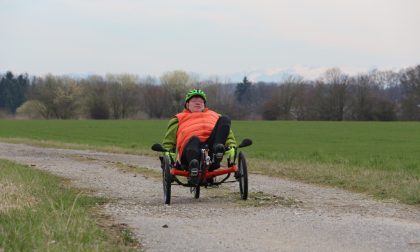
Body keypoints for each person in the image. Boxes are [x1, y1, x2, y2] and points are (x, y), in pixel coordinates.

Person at [162, 89, 237, 178]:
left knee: (225, 119)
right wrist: (168, 153)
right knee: (194, 139)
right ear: (187, 104)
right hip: (189, 148)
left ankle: (218, 151)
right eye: (194, 101)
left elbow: (227, 134)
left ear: (204, 105)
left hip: (211, 147)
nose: (198, 103)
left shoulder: (216, 115)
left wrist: (232, 146)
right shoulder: (178, 118)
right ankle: (193, 165)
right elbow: (169, 141)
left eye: (201, 101)